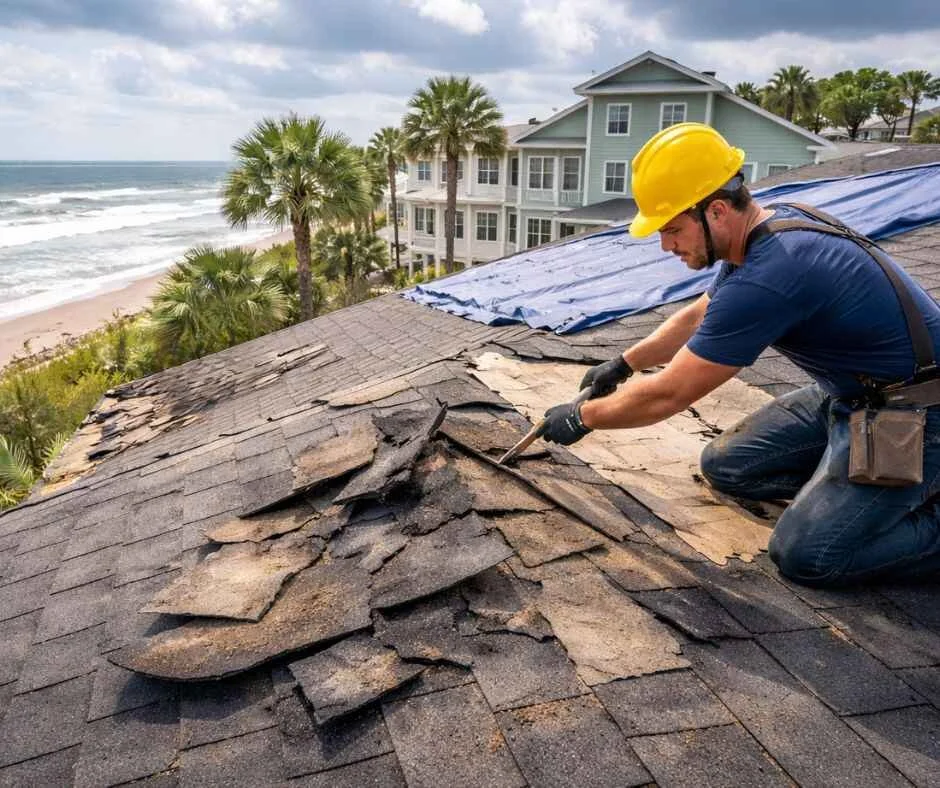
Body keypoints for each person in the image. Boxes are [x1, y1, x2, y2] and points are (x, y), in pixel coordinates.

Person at [540, 122, 940, 587]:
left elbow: (668, 395)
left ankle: (904, 501)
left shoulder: (773, 274)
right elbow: (699, 315)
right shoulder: (763, 234)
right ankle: (850, 491)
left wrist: (583, 417)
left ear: (715, 211)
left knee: (809, 555)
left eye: (671, 230)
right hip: (850, 394)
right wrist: (625, 363)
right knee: (727, 466)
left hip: (917, 415)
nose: (666, 245)